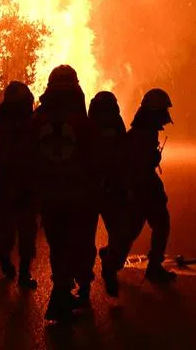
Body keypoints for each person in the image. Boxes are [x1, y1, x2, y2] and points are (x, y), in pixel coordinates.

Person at [29, 65, 98, 322]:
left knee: (58, 246)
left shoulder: (37, 120)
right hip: (77, 196)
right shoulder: (82, 123)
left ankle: (62, 294)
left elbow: (27, 157)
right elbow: (95, 158)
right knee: (75, 244)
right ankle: (61, 297)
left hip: (49, 195)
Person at [104, 88, 178, 284]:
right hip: (140, 189)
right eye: (163, 110)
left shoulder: (144, 130)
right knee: (137, 229)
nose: (165, 116)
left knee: (149, 226)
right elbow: (135, 167)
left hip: (141, 188)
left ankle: (115, 259)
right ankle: (113, 261)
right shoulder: (141, 135)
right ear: (155, 111)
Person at [0, 80, 38, 290]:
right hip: (22, 182)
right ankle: (23, 272)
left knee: (7, 225)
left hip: (5, 180)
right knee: (26, 229)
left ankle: (7, 263)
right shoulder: (29, 123)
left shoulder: (1, 120)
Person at [88, 91, 128, 297]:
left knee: (116, 234)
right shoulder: (89, 127)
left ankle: (101, 271)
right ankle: (89, 279)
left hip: (106, 188)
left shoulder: (89, 125)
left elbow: (123, 155)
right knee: (111, 234)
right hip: (99, 189)